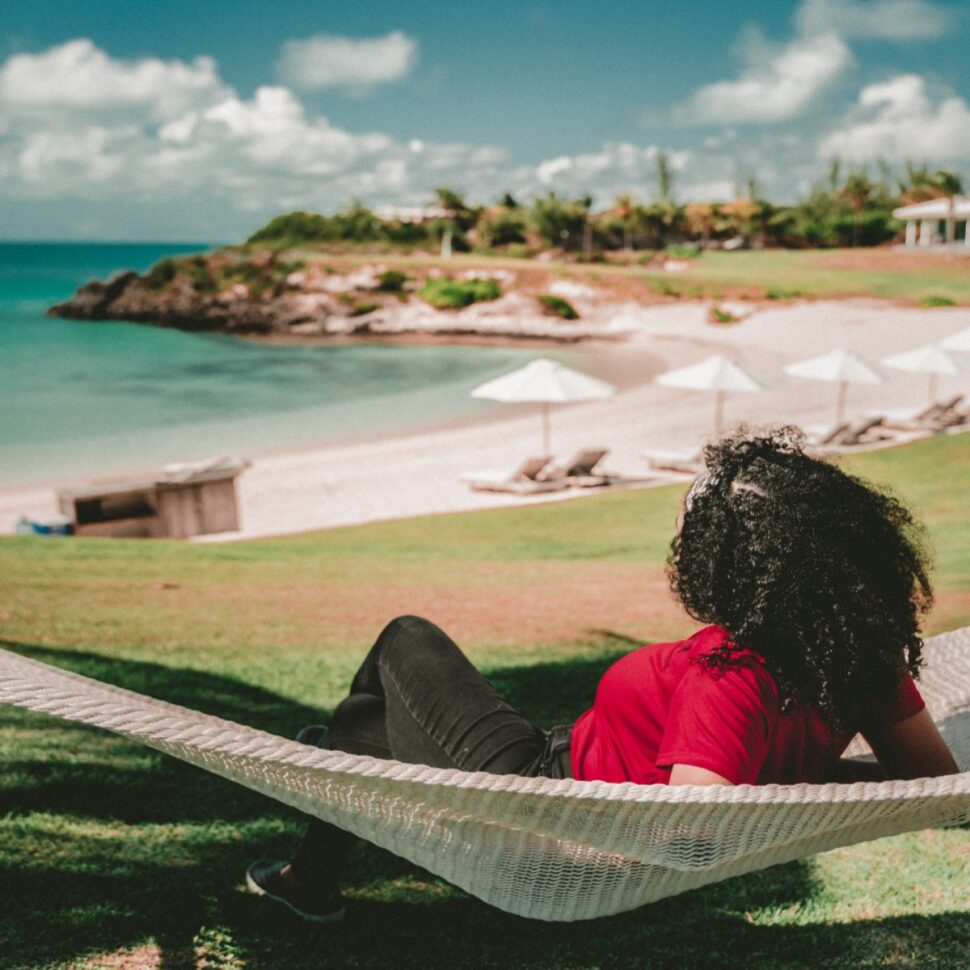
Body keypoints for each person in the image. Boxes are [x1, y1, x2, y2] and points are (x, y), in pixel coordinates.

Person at [246, 428, 958, 922]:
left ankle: (325, 807)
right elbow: (933, 781)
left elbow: (690, 834)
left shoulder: (727, 675)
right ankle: (321, 831)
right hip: (568, 764)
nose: (681, 536)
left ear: (730, 560)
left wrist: (776, 788)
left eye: (693, 527)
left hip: (541, 797)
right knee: (356, 731)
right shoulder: (858, 656)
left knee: (405, 638)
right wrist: (801, 786)